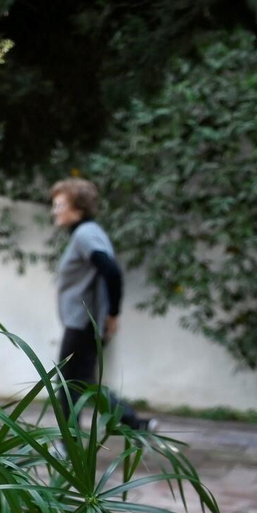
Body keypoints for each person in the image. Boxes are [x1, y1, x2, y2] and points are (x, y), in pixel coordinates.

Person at [49, 177, 153, 432]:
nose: (55, 211)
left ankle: (68, 443)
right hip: (84, 321)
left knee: (68, 383)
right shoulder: (88, 233)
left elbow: (111, 271)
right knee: (81, 382)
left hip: (83, 322)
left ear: (79, 208)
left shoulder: (85, 235)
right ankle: (132, 422)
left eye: (60, 205)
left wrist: (113, 314)